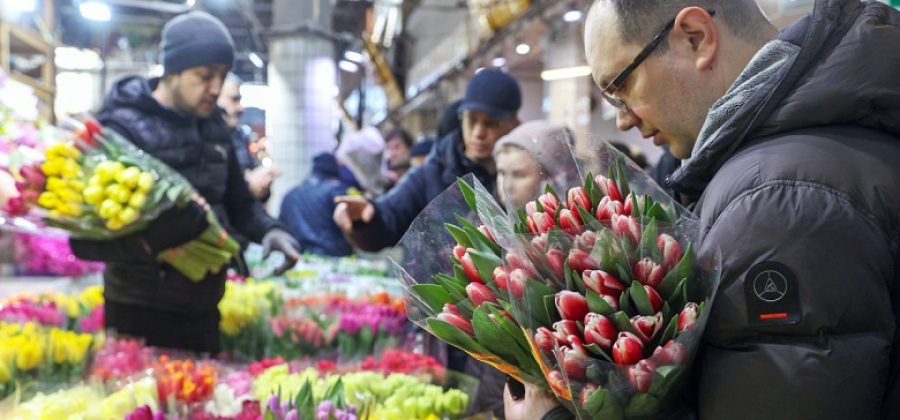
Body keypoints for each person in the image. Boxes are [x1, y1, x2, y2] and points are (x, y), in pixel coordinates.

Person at [579, 0, 900, 418]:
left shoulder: (773, 199)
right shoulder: (815, 150)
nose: (621, 121)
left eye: (621, 85)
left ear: (696, 36)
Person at [69, 11, 301, 354]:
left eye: (221, 77)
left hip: (204, 309)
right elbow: (84, 242)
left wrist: (271, 230)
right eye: (204, 75)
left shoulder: (216, 129)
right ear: (172, 70)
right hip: (139, 314)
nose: (216, 88)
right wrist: (153, 242)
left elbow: (239, 203)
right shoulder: (120, 132)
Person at [333, 69, 522, 252]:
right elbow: (390, 215)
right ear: (461, 118)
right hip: (441, 284)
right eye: (471, 120)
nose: (478, 133)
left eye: (491, 123)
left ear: (515, 124)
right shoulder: (430, 174)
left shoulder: (527, 176)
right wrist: (368, 218)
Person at [218, 73, 279, 201]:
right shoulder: (199, 137)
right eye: (234, 99)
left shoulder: (241, 137)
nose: (241, 108)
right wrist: (247, 183)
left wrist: (261, 185)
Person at [279, 153, 355, 257]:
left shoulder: (290, 194)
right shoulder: (336, 192)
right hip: (334, 257)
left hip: (298, 258)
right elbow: (351, 226)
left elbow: (282, 227)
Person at [493, 120, 578, 210]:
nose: (507, 186)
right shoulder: (488, 218)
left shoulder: (574, 221)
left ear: (549, 179)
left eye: (518, 175)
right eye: (502, 173)